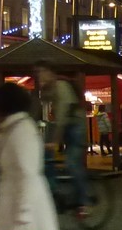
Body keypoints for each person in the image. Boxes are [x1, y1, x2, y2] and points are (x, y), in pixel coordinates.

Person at [0, 82, 58, 230]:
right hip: (13, 210)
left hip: (23, 217)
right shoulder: (11, 129)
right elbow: (3, 161)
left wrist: (23, 215)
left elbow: (28, 173)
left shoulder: (22, 130)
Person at [36, 62, 89, 215]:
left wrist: (55, 141)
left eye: (43, 73)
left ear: (52, 74)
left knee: (72, 162)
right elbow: (40, 109)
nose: (40, 77)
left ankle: (84, 202)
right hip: (65, 126)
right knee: (46, 157)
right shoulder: (49, 89)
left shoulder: (61, 87)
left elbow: (62, 118)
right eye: (38, 74)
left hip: (75, 127)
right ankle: (54, 191)